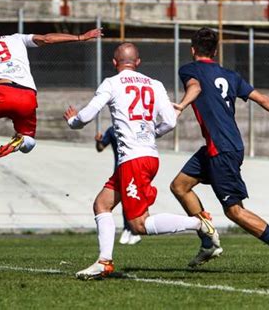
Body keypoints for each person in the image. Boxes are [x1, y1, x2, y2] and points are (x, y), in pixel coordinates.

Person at [64, 42, 219, 280]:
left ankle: (200, 223)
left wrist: (73, 121)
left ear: (115, 63)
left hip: (133, 160)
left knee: (138, 224)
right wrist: (149, 134)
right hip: (148, 155)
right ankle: (104, 261)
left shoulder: (112, 82)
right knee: (102, 205)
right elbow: (170, 121)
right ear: (138, 63)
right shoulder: (155, 84)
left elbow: (86, 115)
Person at [170, 27, 269, 274]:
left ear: (192, 49)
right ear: (215, 51)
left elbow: (194, 87)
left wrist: (182, 105)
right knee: (180, 186)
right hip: (222, 146)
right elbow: (262, 99)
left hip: (222, 149)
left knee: (234, 211)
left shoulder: (189, 69)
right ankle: (208, 241)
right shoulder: (230, 75)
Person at [0, 24, 102, 158]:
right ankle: (20, 142)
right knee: (29, 141)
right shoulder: (17, 38)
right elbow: (47, 39)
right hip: (28, 96)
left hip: (3, 94)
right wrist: (80, 37)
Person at [95, 126, 141, 245]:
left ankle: (135, 230)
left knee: (132, 199)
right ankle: (128, 228)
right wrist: (98, 141)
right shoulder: (111, 130)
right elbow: (100, 148)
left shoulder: (132, 126)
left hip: (135, 167)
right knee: (123, 201)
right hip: (120, 169)